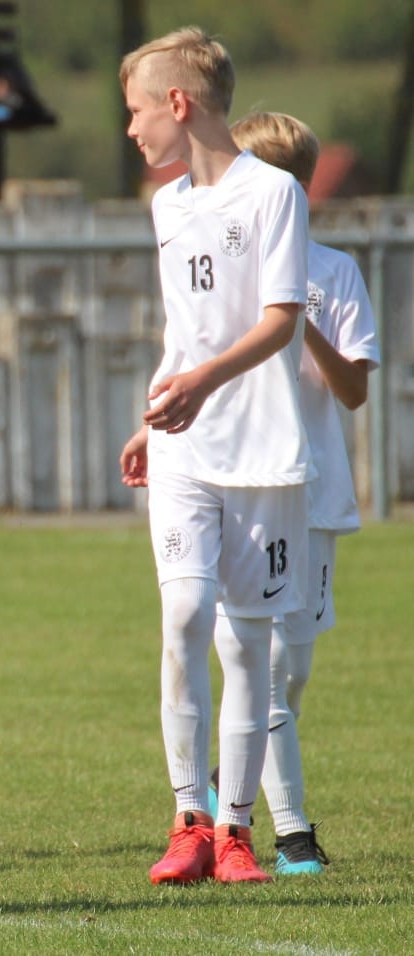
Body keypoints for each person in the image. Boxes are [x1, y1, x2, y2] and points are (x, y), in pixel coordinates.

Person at [117, 28, 311, 885]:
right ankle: (189, 821)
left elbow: (281, 319)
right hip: (184, 445)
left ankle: (236, 831)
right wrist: (156, 408)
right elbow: (183, 332)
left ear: (178, 103)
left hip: (262, 451)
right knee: (185, 616)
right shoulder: (167, 206)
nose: (131, 129)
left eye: (136, 111)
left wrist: (202, 381)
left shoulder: (273, 192)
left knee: (245, 647)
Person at [205, 110, 380, 876]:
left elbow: (353, 392)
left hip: (315, 491)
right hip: (246, 485)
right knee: (267, 669)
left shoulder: (334, 273)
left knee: (293, 673)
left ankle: (233, 775)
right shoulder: (223, 266)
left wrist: (298, 324)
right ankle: (294, 836)